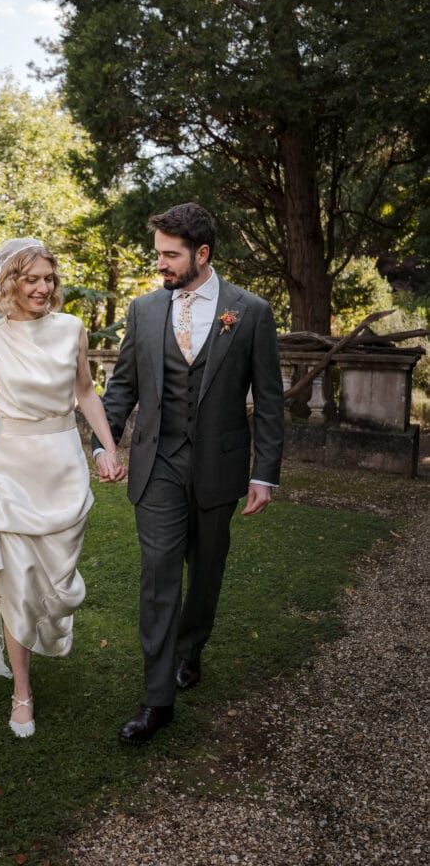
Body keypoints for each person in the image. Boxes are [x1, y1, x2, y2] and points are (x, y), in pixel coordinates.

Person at [93, 203, 284, 744]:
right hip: (156, 466)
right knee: (158, 577)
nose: (161, 264)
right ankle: (158, 700)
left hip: (218, 469)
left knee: (204, 577)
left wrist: (264, 473)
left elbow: (269, 401)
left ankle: (192, 646)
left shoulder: (250, 312)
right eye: (158, 254)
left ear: (202, 254)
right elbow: (122, 386)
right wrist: (103, 445)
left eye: (170, 255)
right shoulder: (145, 310)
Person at [0, 238, 123, 739]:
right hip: (11, 472)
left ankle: (49, 632)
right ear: (9, 283)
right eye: (32, 279)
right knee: (14, 585)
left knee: (58, 587)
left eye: (49, 279)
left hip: (64, 466)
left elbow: (85, 392)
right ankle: (22, 691)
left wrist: (107, 446)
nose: (43, 288)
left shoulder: (72, 330)